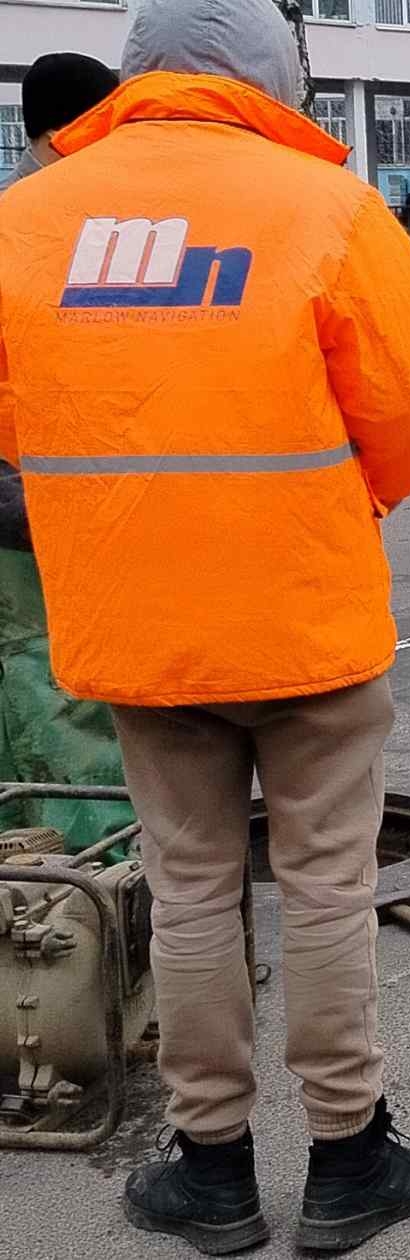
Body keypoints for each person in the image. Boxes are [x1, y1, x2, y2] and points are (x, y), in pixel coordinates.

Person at [0, 0, 410, 1252]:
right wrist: (341, 497)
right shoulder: (325, 207)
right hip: (302, 616)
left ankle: (208, 1169)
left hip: (136, 629)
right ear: (272, 81)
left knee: (189, 887)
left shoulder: (30, 215)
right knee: (323, 884)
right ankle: (348, 1158)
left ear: (141, 74)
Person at [0, 50, 134, 853]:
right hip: (29, 501)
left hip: (34, 492)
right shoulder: (43, 228)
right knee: (59, 693)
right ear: (65, 133)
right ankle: (101, 876)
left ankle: (31, 872)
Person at [0, 53, 118, 194]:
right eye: (104, 122)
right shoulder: (8, 205)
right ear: (60, 130)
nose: (116, 135)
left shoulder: (103, 192)